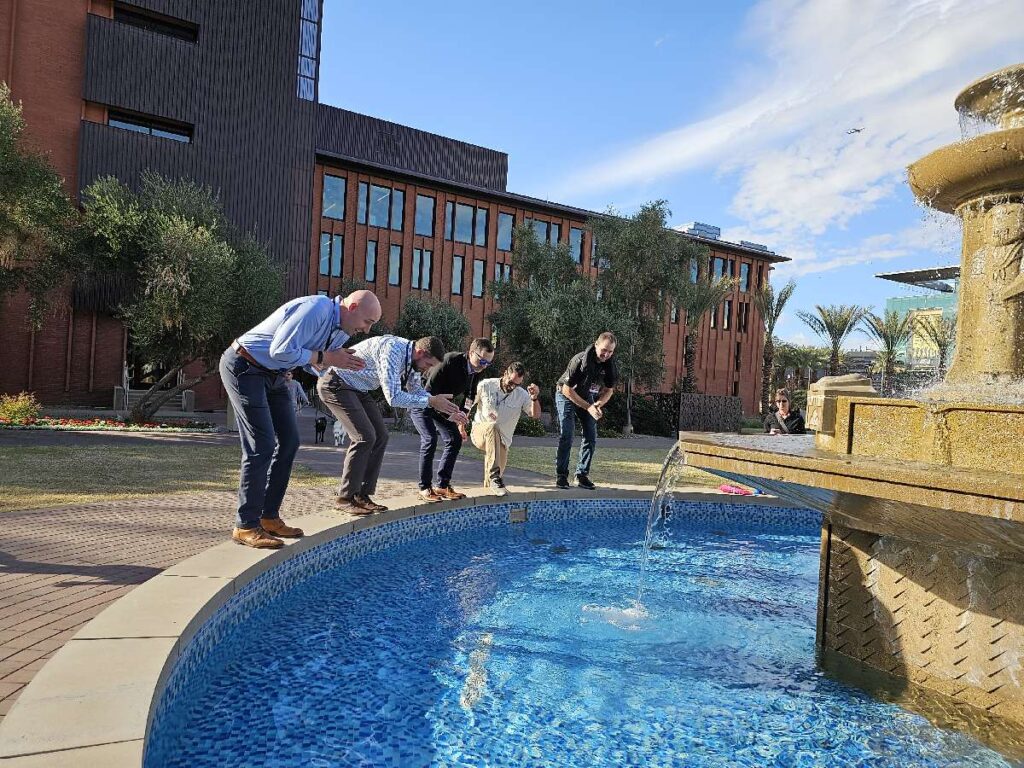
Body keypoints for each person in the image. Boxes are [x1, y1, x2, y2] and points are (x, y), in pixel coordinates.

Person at [220, 290, 381, 549]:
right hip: (245, 366)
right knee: (261, 446)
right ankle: (246, 525)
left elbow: (310, 361)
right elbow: (281, 349)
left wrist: (334, 363)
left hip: (276, 375)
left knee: (290, 442)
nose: (366, 329)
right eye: (367, 321)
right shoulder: (316, 309)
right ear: (351, 308)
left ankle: (269, 517)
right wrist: (325, 357)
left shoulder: (339, 330)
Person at [318, 335, 467, 514]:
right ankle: (345, 497)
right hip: (336, 383)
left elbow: (416, 389)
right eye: (428, 365)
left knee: (381, 436)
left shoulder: (411, 359)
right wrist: (431, 401)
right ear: (420, 353)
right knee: (364, 437)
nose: (427, 369)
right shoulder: (392, 351)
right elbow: (394, 397)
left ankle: (362, 496)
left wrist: (446, 407)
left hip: (358, 389)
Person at [411, 337, 494, 503]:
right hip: (421, 401)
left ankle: (442, 485)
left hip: (442, 406)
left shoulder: (476, 371)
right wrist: (450, 415)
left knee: (454, 439)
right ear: (471, 353)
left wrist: (462, 417)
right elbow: (428, 392)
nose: (484, 366)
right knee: (430, 439)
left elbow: (470, 396)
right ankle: (424, 487)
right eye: (482, 360)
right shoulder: (450, 361)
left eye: (488, 363)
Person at [554, 332, 618, 490]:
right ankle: (562, 475)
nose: (606, 354)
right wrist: (589, 407)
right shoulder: (579, 360)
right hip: (565, 395)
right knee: (567, 434)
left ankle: (582, 475)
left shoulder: (610, 365)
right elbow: (567, 390)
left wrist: (598, 404)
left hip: (586, 395)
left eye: (610, 351)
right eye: (604, 350)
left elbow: (609, 390)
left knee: (591, 433)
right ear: (596, 345)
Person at [470, 362, 541, 496]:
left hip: (502, 441)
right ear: (505, 374)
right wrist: (461, 424)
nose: (512, 386)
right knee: (492, 426)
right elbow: (469, 403)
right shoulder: (486, 385)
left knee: (492, 486)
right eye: (510, 382)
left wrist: (534, 398)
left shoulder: (521, 395)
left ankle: (488, 502)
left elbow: (535, 415)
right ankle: (495, 477)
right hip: (480, 431)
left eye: (517, 384)